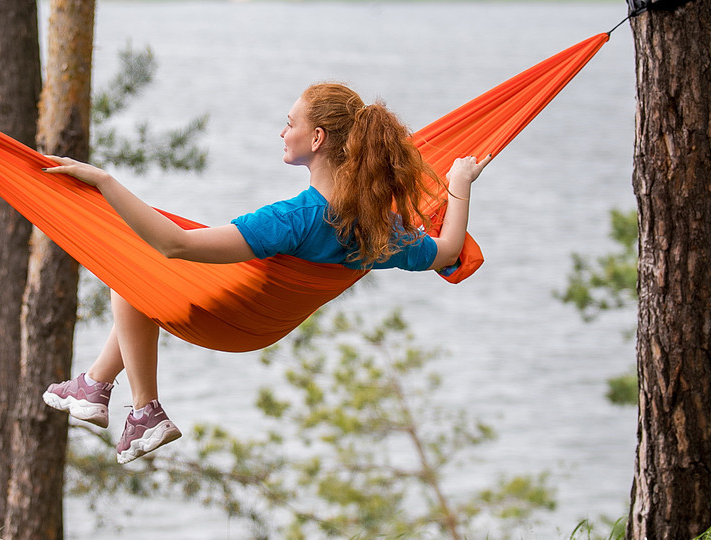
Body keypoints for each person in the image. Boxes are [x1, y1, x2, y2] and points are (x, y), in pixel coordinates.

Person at [41, 82, 489, 464]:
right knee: (138, 282)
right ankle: (95, 386)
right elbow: (448, 250)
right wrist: (460, 184)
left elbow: (176, 244)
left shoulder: (293, 218)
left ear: (316, 138)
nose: (282, 131)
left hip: (227, 314)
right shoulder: (378, 229)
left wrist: (105, 182)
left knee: (133, 270)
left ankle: (144, 410)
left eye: (289, 123)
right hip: (263, 326)